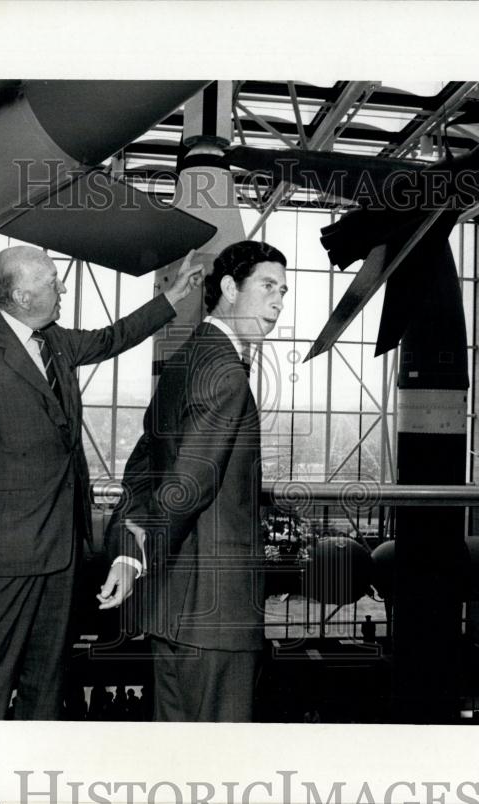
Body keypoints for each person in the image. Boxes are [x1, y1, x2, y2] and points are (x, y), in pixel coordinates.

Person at [0, 245, 202, 720]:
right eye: (51, 281)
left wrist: (171, 299)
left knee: (47, 682)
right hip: (3, 554)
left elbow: (112, 338)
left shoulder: (56, 342)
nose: (62, 288)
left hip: (62, 551)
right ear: (21, 294)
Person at [99, 239, 287, 721]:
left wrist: (128, 548)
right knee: (219, 770)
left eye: (283, 292)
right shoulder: (227, 372)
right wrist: (138, 556)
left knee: (176, 763)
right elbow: (190, 487)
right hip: (217, 616)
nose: (278, 303)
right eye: (268, 286)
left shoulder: (183, 360)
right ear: (228, 287)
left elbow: (141, 468)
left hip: (171, 611)